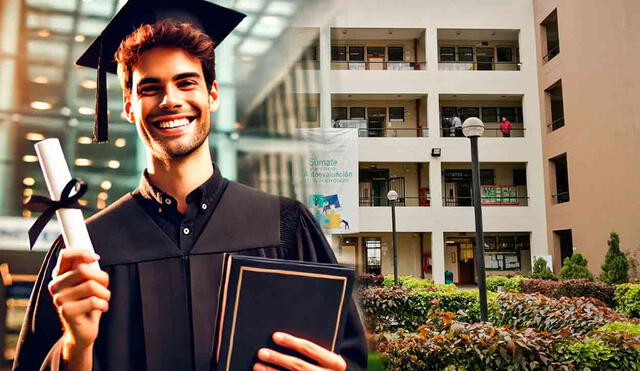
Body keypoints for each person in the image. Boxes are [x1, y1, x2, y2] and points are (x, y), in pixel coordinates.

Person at [12, 1, 367, 371]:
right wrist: (75, 343)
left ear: (212, 94)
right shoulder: (86, 249)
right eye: (150, 88)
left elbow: (346, 356)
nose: (171, 100)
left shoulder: (285, 224)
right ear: (129, 106)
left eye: (186, 82)